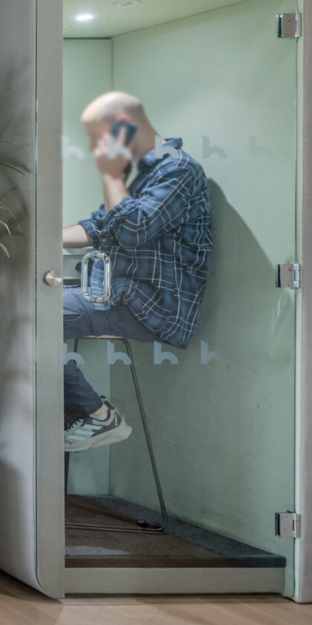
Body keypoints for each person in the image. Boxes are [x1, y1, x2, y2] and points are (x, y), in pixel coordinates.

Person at [60, 92, 211, 452]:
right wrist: (32, 242)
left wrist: (111, 175)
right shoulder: (143, 175)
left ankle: (98, 416)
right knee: (28, 312)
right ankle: (75, 412)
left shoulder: (178, 171)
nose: (97, 149)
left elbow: (133, 229)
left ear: (125, 127)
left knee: (34, 318)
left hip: (151, 307)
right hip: (119, 296)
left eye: (99, 137)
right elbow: (98, 226)